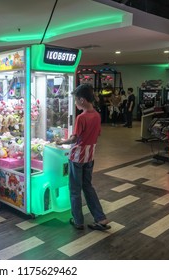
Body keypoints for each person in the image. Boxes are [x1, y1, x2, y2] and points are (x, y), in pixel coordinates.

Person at [55, 84, 111, 231]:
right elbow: (96, 134)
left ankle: (78, 221)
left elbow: (74, 139)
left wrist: (61, 141)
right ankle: (101, 218)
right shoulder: (97, 115)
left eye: (76, 100)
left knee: (74, 189)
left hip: (77, 157)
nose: (75, 103)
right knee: (88, 186)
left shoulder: (82, 117)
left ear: (82, 100)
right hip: (90, 156)